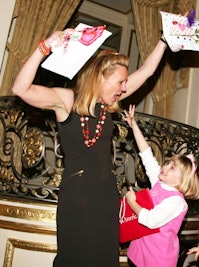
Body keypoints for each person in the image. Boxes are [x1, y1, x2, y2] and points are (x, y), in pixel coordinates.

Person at [11, 28, 168, 267]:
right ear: (101, 77)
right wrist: (44, 48)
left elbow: (146, 71)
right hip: (78, 197)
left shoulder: (108, 106)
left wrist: (165, 40)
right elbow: (20, 89)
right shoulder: (66, 101)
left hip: (105, 197)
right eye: (120, 82)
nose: (124, 88)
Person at [122, 104, 199, 267]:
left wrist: (132, 202)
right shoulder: (159, 182)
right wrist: (134, 126)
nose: (165, 167)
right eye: (168, 163)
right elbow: (146, 154)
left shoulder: (177, 202)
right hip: (138, 253)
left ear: (182, 181)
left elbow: (151, 220)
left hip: (157, 259)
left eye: (172, 167)